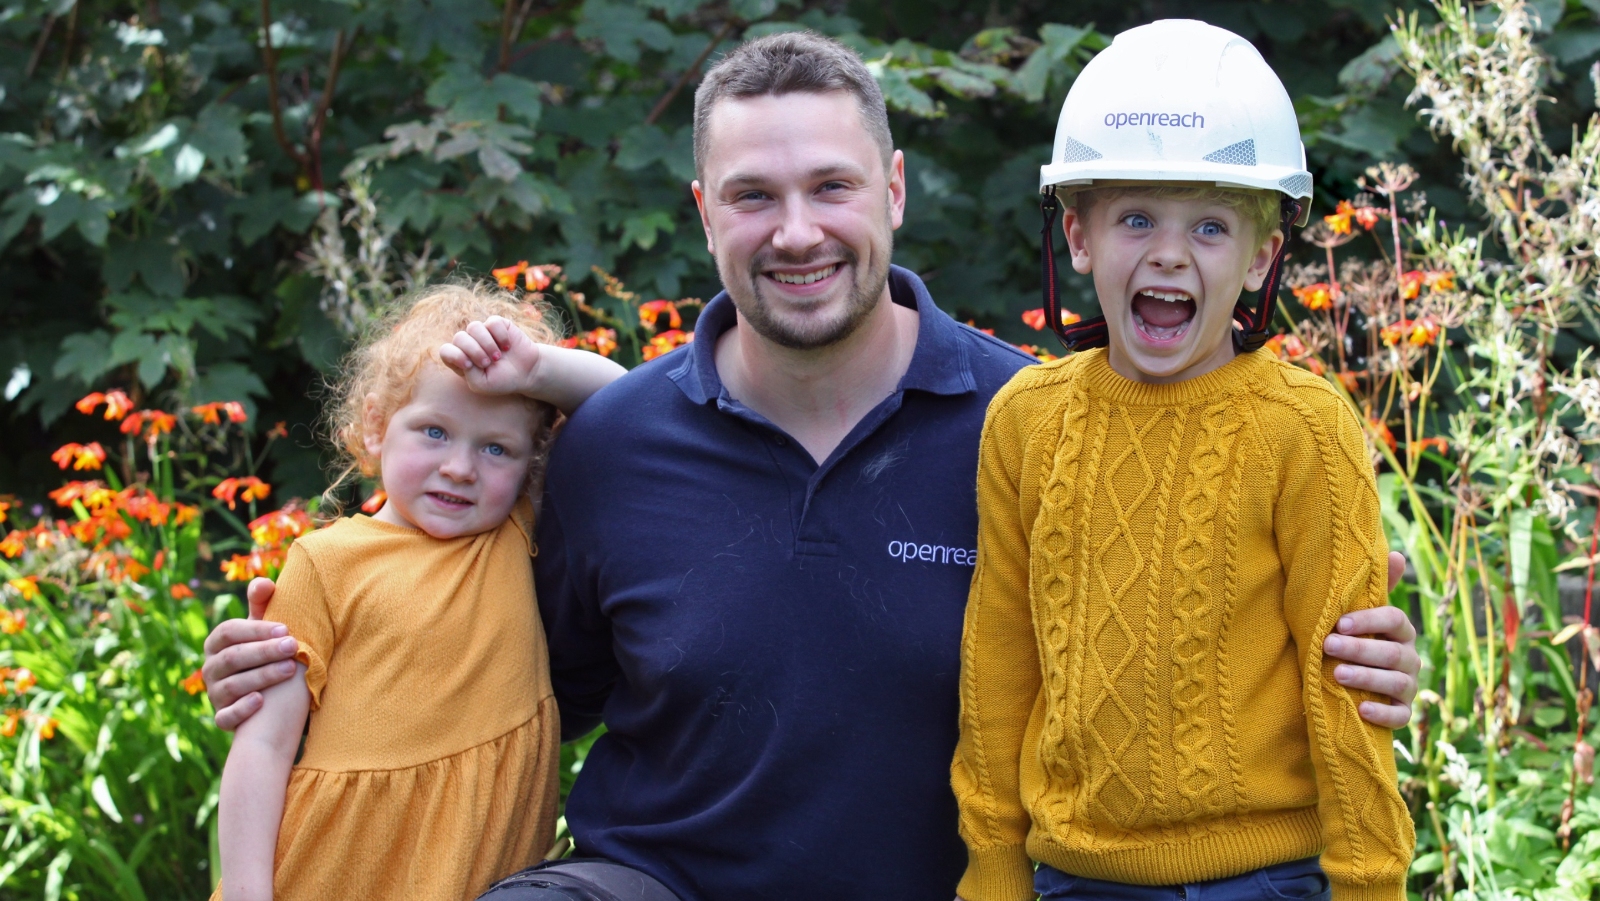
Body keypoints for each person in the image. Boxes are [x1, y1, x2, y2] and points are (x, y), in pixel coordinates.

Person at [200, 32, 1424, 901]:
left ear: (891, 189)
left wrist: (1364, 653)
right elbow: (506, 671)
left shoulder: (1030, 422)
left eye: (830, 185)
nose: (795, 230)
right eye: (753, 195)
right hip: (655, 881)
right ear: (702, 210)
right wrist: (302, 665)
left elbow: (1188, 612)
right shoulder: (617, 445)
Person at [951, 20, 1415, 901]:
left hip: (1267, 876)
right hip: (1079, 877)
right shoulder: (1026, 420)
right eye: (1135, 217)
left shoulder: (1305, 428)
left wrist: (1370, 886)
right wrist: (995, 872)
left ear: (1261, 257)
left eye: (1210, 224)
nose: (1168, 252)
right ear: (1079, 238)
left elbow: (1348, 688)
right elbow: (999, 663)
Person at [212, 282, 625, 901]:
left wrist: (534, 367)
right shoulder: (326, 562)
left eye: (495, 447)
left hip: (482, 866)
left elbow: (622, 404)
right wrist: (247, 891)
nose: (461, 467)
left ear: (531, 462)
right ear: (376, 428)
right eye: (434, 431)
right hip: (336, 864)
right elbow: (264, 742)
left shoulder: (515, 529)